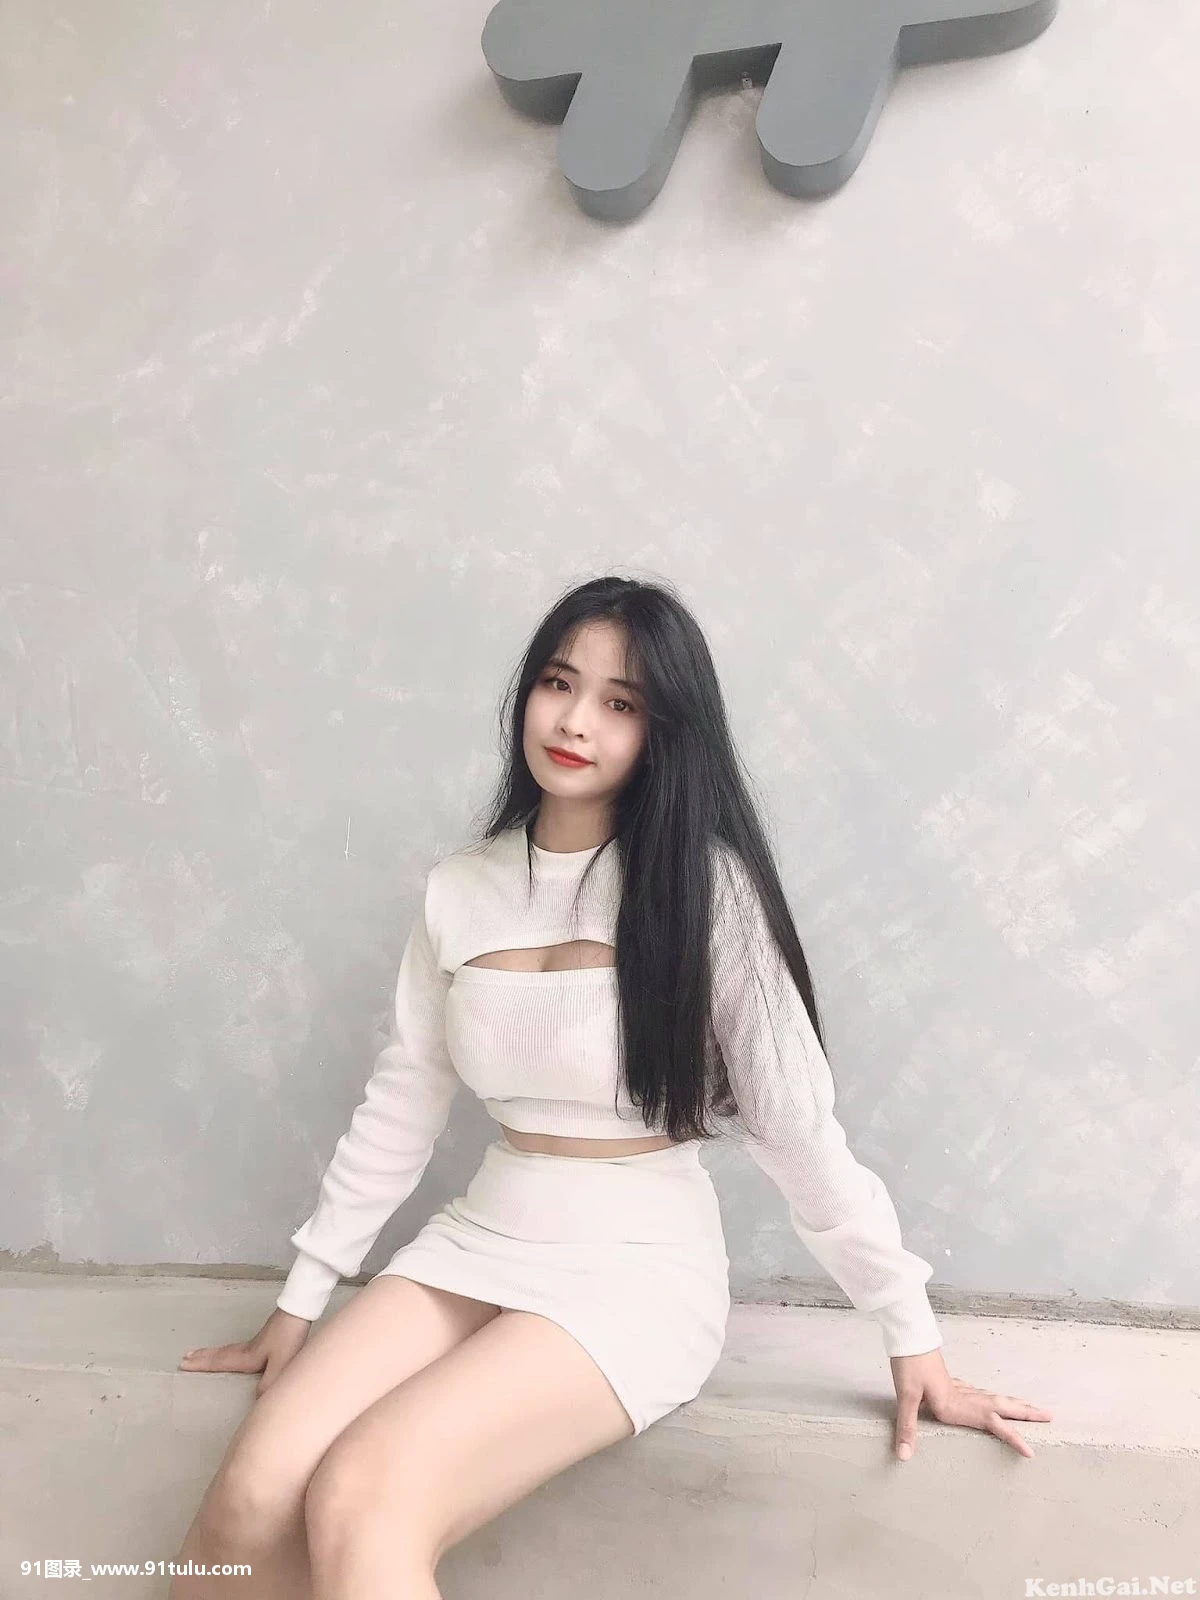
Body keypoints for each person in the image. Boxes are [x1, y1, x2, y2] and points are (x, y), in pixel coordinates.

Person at [169, 574, 1052, 1598]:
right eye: (558, 683)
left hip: (636, 1269)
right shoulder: (461, 887)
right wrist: (302, 1297)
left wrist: (911, 1332)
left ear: (662, 733)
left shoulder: (706, 891)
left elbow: (798, 1132)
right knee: (249, 1496)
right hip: (479, 1239)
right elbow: (403, 1100)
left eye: (619, 702)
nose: (575, 721)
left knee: (363, 1497)